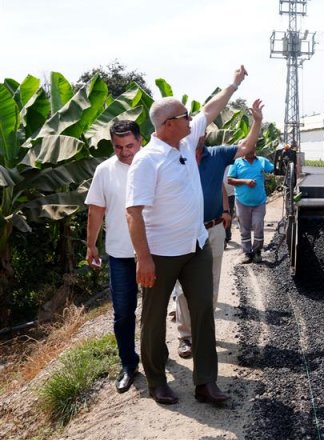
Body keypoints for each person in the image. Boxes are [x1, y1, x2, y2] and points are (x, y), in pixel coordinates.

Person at [126, 65, 248, 405]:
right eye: (185, 115)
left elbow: (211, 109)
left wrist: (234, 84)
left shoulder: (185, 140)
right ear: (168, 125)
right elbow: (133, 213)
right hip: (161, 254)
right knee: (153, 318)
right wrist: (144, 258)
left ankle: (205, 382)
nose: (192, 118)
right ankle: (156, 380)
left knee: (203, 311)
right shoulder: (147, 161)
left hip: (196, 246)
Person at [174, 99, 264, 360]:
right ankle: (186, 336)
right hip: (184, 230)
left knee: (211, 283)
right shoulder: (176, 157)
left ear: (204, 132)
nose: (195, 132)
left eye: (198, 128)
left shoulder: (216, 155)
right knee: (183, 287)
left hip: (212, 229)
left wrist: (257, 121)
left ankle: (204, 330)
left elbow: (246, 145)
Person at [85, 120, 143, 394]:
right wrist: (91, 245)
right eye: (118, 147)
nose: (124, 152)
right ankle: (129, 364)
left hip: (155, 252)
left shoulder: (152, 163)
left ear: (140, 140)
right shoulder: (104, 170)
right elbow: (96, 210)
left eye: (129, 145)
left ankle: (157, 355)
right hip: (120, 253)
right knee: (122, 314)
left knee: (154, 311)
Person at [227, 149, 274, 263]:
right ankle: (247, 253)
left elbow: (275, 169)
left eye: (253, 146)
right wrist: (245, 181)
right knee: (245, 228)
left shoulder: (262, 161)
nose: (251, 149)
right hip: (242, 201)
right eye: (249, 147)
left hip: (259, 201)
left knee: (258, 224)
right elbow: (229, 180)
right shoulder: (236, 163)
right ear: (244, 149)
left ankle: (257, 251)